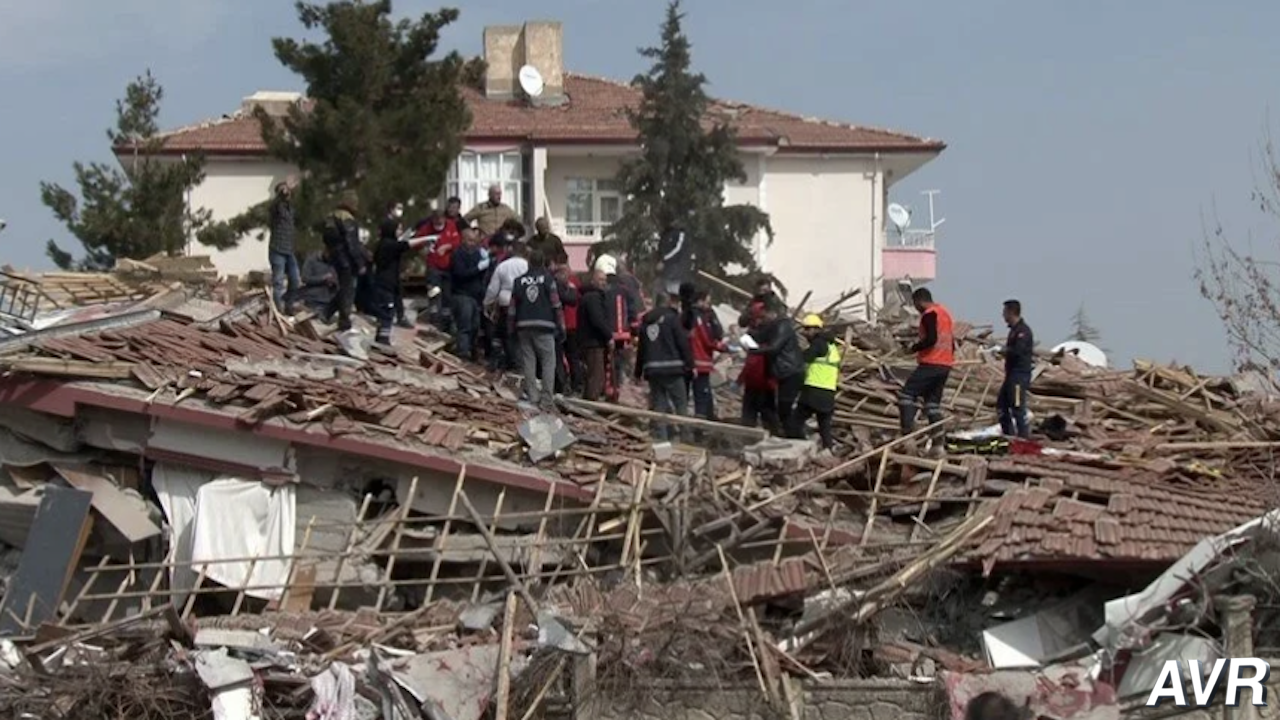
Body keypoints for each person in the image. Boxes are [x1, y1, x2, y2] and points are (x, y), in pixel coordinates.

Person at [508, 249, 566, 408]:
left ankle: (533, 396)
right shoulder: (548, 279)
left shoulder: (518, 281)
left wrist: (510, 328)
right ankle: (547, 399)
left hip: (523, 326)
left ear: (528, 262)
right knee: (548, 362)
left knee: (529, 361)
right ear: (543, 262)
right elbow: (556, 304)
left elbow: (512, 308)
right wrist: (561, 326)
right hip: (544, 326)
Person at [635, 292, 694, 442]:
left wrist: (638, 372)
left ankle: (662, 439)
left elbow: (642, 348)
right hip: (672, 368)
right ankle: (686, 438)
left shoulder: (646, 321)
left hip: (653, 370)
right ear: (668, 303)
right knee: (681, 405)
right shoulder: (672, 318)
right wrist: (690, 364)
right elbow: (682, 342)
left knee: (659, 406)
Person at [898, 287, 955, 437]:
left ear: (919, 301)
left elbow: (931, 339)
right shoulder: (945, 313)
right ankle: (938, 444)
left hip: (931, 362)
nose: (916, 309)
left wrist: (913, 348)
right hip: (945, 364)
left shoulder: (929, 315)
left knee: (907, 395)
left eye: (915, 305)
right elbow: (951, 341)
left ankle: (907, 434)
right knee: (932, 405)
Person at [371, 214, 436, 345]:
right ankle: (382, 340)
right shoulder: (387, 245)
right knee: (386, 312)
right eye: (398, 229)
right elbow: (406, 244)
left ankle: (382, 337)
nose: (400, 232)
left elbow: (403, 241)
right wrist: (428, 238)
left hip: (390, 283)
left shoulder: (387, 243)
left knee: (388, 311)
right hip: (385, 284)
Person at [749, 300, 805, 437]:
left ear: (771, 313)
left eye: (764, 316)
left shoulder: (782, 326)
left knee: (784, 409)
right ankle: (784, 434)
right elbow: (761, 337)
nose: (763, 319)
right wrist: (750, 334)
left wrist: (753, 351)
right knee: (776, 407)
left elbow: (774, 347)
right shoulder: (774, 326)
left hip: (790, 372)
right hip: (784, 372)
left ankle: (796, 438)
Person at [320, 190, 366, 332]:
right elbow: (352, 243)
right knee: (348, 290)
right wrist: (360, 263)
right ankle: (344, 321)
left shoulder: (331, 217)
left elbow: (326, 238)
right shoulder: (347, 219)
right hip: (346, 259)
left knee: (344, 288)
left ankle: (326, 312)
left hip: (335, 257)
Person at [793, 314, 840, 450]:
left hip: (814, 390)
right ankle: (828, 449)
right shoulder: (832, 346)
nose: (804, 332)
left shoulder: (818, 344)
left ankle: (801, 447)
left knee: (795, 421)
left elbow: (805, 358)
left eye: (807, 329)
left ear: (815, 329)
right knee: (824, 425)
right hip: (828, 391)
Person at [485, 237, 530, 371]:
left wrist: (487, 303)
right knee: (519, 335)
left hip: (505, 301)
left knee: (504, 333)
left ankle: (505, 361)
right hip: (523, 304)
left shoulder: (503, 266)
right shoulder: (528, 266)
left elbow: (493, 288)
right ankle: (519, 363)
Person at [449, 227, 490, 360]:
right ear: (463, 240)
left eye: (475, 241)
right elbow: (461, 274)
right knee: (465, 326)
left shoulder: (478, 253)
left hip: (476, 296)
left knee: (475, 327)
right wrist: (478, 268)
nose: (473, 243)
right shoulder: (458, 255)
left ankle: (473, 352)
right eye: (470, 240)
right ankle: (463, 353)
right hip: (462, 295)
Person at [997, 299, 1035, 439]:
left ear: (1010, 312)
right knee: (1001, 406)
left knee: (1017, 408)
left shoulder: (1023, 331)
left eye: (1004, 312)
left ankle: (1023, 439)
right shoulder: (1013, 331)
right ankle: (1009, 435)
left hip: (1019, 376)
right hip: (1011, 375)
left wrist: (1004, 351)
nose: (1002, 316)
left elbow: (1018, 351)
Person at [577, 269, 614, 401]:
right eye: (600, 280)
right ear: (593, 281)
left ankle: (588, 401)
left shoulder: (588, 296)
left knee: (592, 375)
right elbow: (597, 320)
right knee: (596, 376)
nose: (603, 283)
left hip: (589, 342)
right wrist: (609, 336)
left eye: (605, 280)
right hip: (593, 342)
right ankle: (591, 403)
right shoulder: (593, 297)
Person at [688, 290, 726, 420]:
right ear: (700, 301)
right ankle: (701, 425)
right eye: (707, 302)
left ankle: (708, 417)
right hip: (700, 361)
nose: (709, 306)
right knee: (701, 394)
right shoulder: (699, 317)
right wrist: (722, 347)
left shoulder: (690, 314)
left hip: (694, 361)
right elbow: (707, 338)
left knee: (703, 392)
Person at [421, 211, 461, 329]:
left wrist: (446, 247)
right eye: (436, 220)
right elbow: (417, 240)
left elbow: (457, 242)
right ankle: (434, 320)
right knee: (434, 293)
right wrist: (422, 249)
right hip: (433, 267)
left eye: (440, 220)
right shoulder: (427, 228)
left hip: (448, 267)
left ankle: (446, 322)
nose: (438, 223)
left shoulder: (451, 226)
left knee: (447, 295)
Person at [268, 179, 300, 314]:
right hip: (277, 250)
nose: (287, 193)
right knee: (278, 283)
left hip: (289, 250)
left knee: (295, 280)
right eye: (283, 191)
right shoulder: (276, 208)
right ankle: (278, 310)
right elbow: (278, 200)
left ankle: (289, 306)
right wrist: (285, 188)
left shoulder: (290, 209)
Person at [554, 262, 582, 395]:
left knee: (561, 357)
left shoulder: (557, 285)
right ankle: (574, 386)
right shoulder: (575, 283)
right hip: (571, 326)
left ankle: (564, 385)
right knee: (572, 357)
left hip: (564, 326)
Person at [299, 249, 337, 321]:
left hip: (328, 301)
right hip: (313, 299)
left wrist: (333, 282)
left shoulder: (334, 263)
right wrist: (322, 278)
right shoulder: (312, 260)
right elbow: (305, 278)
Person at [657, 221, 692, 296]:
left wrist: (663, 260)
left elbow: (677, 250)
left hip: (676, 271)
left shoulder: (680, 234)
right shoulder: (669, 234)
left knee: (673, 293)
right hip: (670, 271)